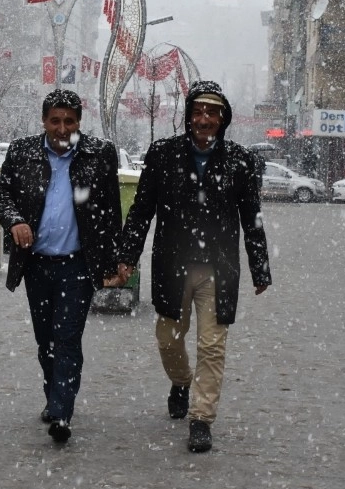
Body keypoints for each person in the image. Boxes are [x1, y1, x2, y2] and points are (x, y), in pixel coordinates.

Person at [115, 81, 272, 453]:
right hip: (173, 265)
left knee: (212, 346)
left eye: (212, 113)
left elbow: (252, 217)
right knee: (168, 338)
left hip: (218, 270)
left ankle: (201, 418)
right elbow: (141, 211)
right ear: (188, 116)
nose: (205, 119)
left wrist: (260, 267)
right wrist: (126, 255)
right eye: (198, 112)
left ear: (223, 118)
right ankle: (181, 381)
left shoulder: (239, 160)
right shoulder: (163, 154)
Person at [0, 89, 122, 445]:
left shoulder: (99, 154)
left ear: (79, 122)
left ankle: (63, 412)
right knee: (45, 339)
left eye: (69, 121)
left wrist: (115, 262)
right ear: (44, 121)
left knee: (67, 338)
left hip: (78, 264)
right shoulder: (22, 152)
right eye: (55, 121)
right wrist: (15, 220)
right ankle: (54, 395)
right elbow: (1, 194)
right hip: (37, 264)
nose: (62, 128)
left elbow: (111, 210)